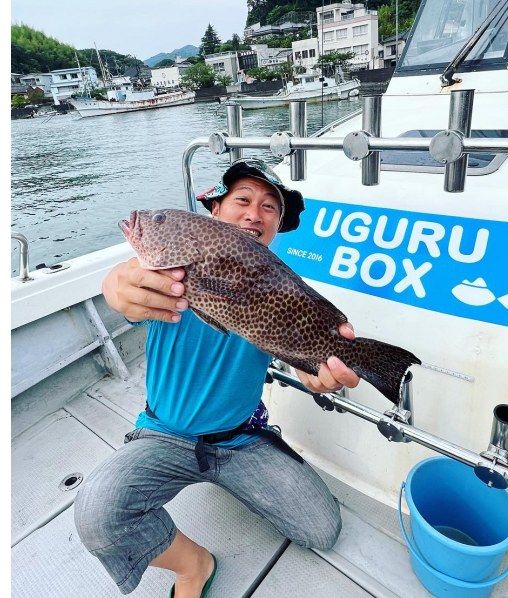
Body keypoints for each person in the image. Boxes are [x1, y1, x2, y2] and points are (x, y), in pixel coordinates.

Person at [74, 158, 360, 597]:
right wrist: (116, 284)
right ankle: (194, 565)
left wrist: (319, 374)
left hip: (241, 439)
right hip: (164, 436)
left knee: (322, 530)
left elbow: (298, 356)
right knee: (97, 517)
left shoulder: (282, 291)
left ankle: (230, 477)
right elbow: (128, 286)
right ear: (213, 213)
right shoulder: (170, 276)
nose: (254, 213)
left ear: (277, 228)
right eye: (242, 200)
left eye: (270, 208)